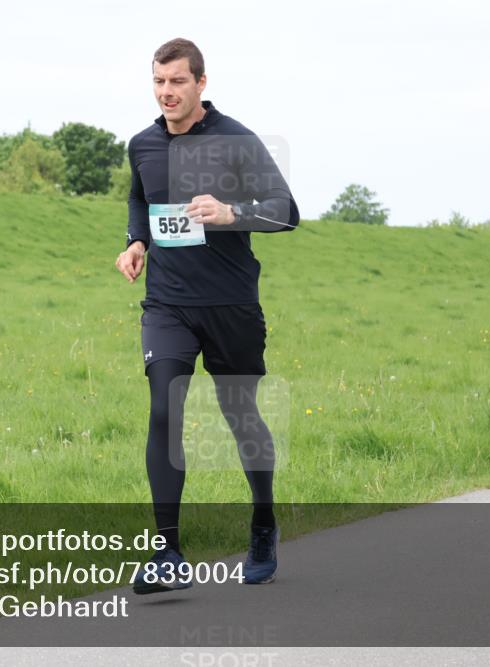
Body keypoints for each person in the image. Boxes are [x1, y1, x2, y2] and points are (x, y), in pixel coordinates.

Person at [115, 38, 299, 592]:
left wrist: (230, 212)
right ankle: (168, 550)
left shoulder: (237, 141)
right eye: (158, 81)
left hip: (230, 306)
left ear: (201, 83)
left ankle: (263, 524)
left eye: (176, 81)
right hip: (168, 304)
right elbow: (139, 200)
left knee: (240, 415)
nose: (166, 92)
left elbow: (287, 214)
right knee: (163, 409)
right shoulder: (142, 144)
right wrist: (136, 241)